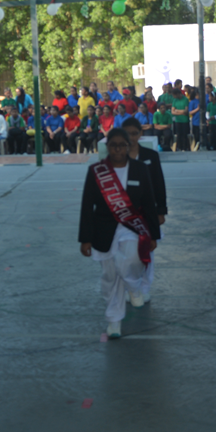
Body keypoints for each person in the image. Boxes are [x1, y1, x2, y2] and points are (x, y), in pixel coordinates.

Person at [79, 128, 160, 338]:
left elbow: (149, 203)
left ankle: (134, 285)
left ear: (128, 146)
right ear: (107, 147)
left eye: (121, 145)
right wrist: (85, 239)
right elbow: (87, 205)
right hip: (103, 229)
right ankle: (114, 321)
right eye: (113, 145)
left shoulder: (140, 169)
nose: (117, 149)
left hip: (132, 227)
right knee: (110, 276)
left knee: (132, 260)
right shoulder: (96, 171)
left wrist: (153, 234)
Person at [119, 118, 167, 302]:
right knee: (126, 255)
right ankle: (129, 287)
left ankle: (144, 287)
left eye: (134, 133)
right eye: (127, 134)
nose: (131, 137)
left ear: (140, 134)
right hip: (122, 214)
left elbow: (159, 184)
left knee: (147, 250)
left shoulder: (151, 156)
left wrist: (160, 211)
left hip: (147, 213)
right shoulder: (116, 157)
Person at [170, 84, 190, 151]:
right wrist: (182, 112)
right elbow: (172, 112)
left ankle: (185, 147)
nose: (173, 96)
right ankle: (179, 147)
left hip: (185, 120)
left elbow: (186, 111)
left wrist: (177, 110)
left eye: (174, 95)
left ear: (178, 94)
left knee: (184, 135)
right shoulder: (174, 100)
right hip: (177, 120)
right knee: (178, 135)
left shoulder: (185, 99)